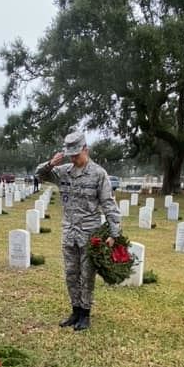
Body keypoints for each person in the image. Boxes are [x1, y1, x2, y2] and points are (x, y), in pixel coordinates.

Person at [35, 130, 121, 331]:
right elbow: (39, 175)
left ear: (86, 149)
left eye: (76, 154)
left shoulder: (98, 174)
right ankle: (75, 310)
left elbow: (109, 203)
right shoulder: (64, 171)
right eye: (70, 155)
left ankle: (85, 313)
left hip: (90, 234)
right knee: (71, 274)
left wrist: (114, 233)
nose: (73, 158)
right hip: (69, 232)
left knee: (87, 274)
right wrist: (51, 163)